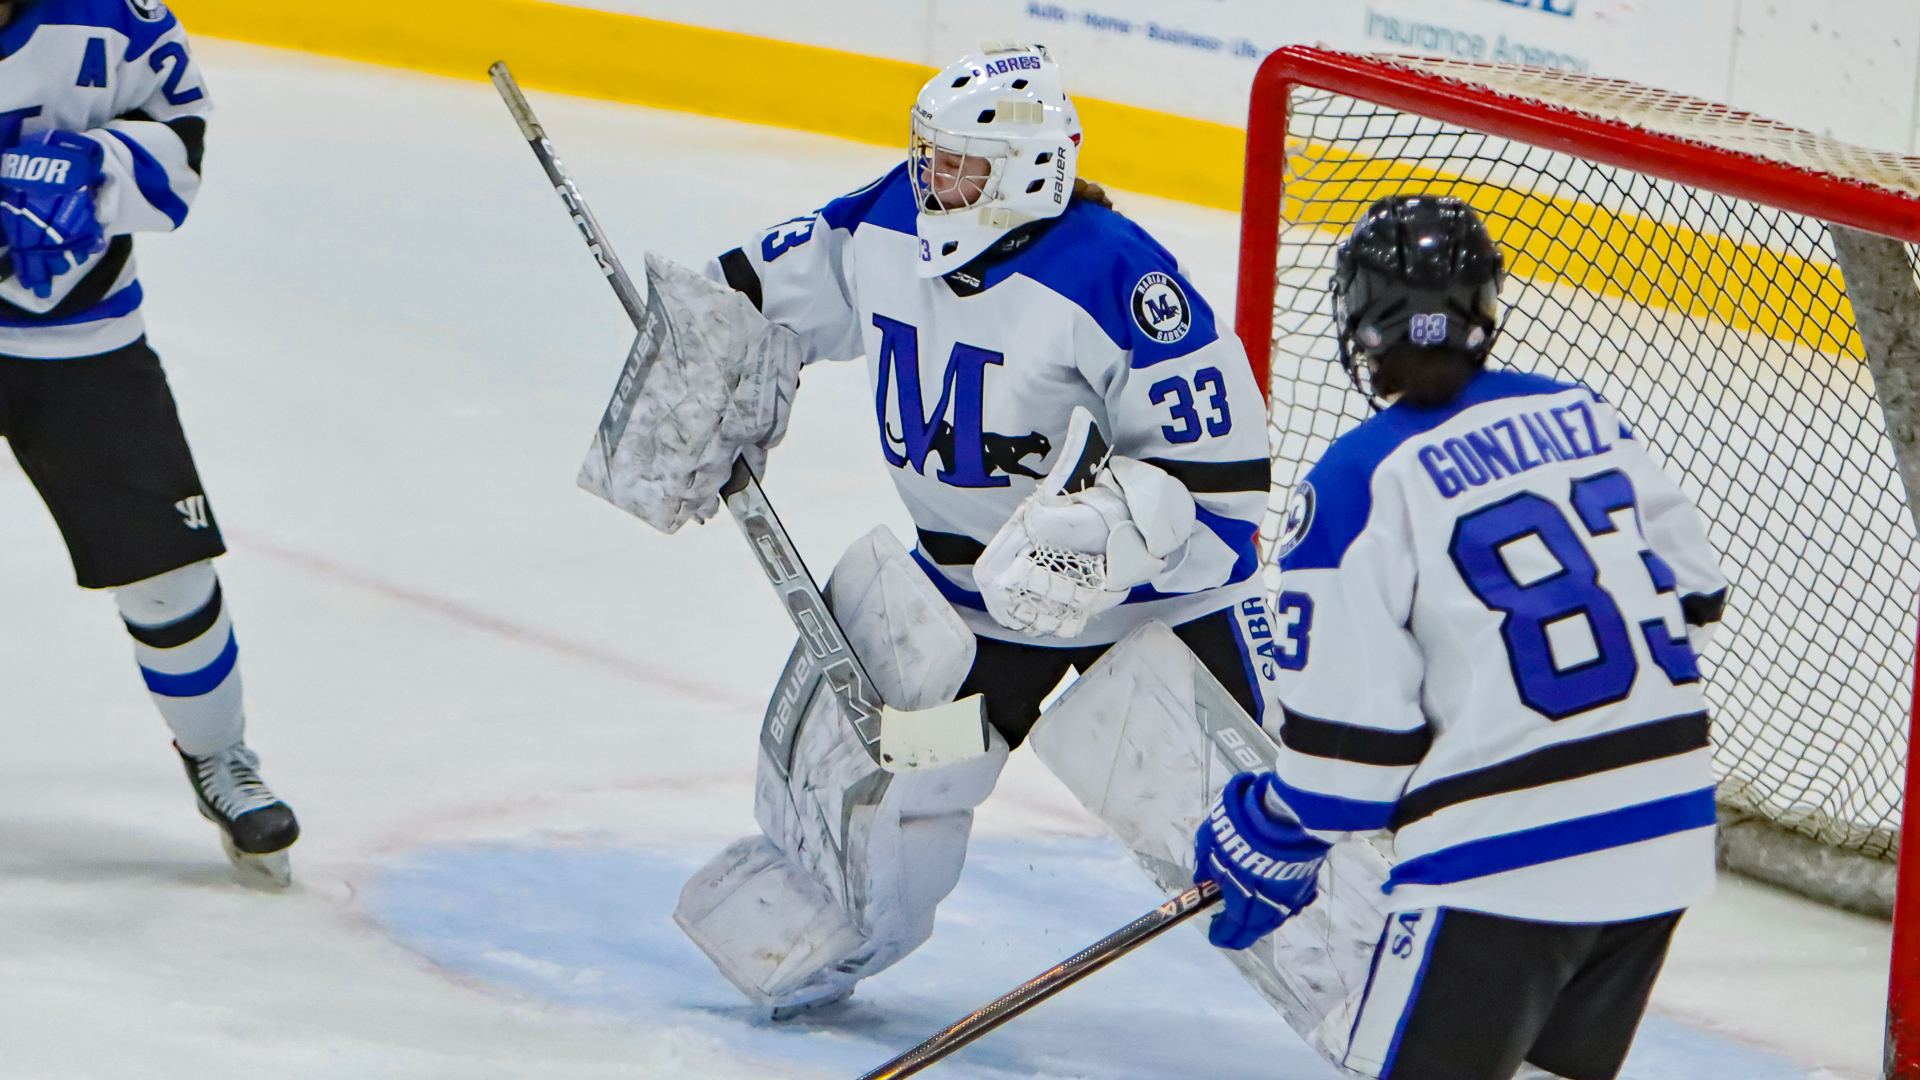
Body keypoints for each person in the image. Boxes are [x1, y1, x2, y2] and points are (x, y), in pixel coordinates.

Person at [660, 42, 1275, 1017]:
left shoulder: (1118, 276)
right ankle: (841, 919)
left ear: (1029, 167)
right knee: (898, 767)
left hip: (1153, 619)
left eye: (958, 165)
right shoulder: (888, 222)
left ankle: (1414, 982)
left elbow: (1225, 489)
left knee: (1261, 820)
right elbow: (764, 284)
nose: (931, 180)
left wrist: (1104, 532)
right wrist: (705, 360)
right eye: (927, 156)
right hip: (977, 610)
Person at [1193, 194, 1729, 1080]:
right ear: (1485, 309)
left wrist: (1275, 826)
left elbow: (1348, 763)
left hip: (1507, 858)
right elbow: (1695, 597)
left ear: (1358, 321)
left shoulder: (1363, 476)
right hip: (1666, 829)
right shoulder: (1583, 413)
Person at [0, 0, 297, 885]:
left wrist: (93, 166)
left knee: (165, 574)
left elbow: (182, 146)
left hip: (79, 333)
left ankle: (220, 760)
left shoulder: (116, 20)